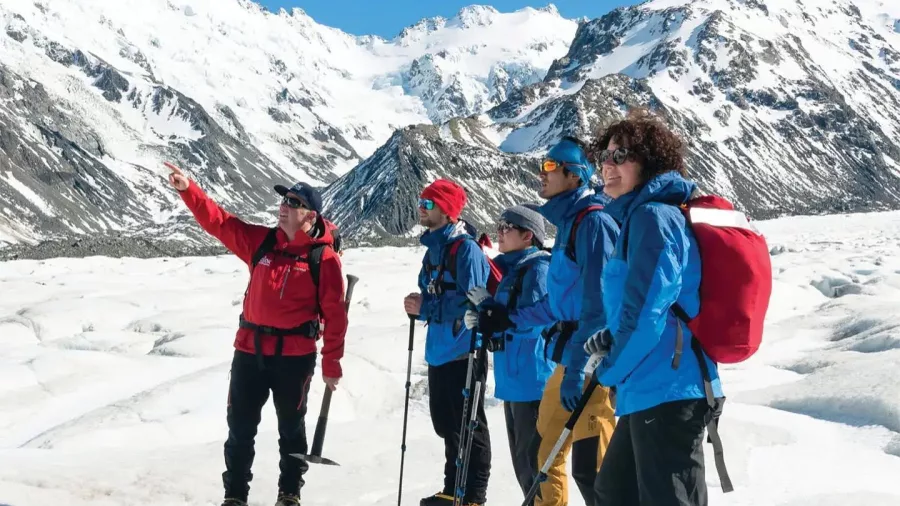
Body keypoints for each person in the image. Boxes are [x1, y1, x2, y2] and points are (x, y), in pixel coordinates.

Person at [165, 163, 347, 506]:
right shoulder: (263, 242)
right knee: (240, 428)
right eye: (283, 200)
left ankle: (289, 494)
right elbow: (220, 223)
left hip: (295, 357)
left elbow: (336, 315)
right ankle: (234, 496)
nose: (283, 206)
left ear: (310, 216)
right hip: (249, 351)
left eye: (292, 202)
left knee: (291, 430)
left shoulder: (323, 258)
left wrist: (332, 363)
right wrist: (189, 189)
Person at [584, 110, 725, 506]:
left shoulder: (652, 217)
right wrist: (613, 338)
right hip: (648, 386)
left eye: (621, 155)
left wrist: (611, 369)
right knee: (614, 491)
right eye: (605, 157)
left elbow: (648, 313)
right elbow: (647, 307)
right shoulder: (641, 217)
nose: (608, 166)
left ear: (649, 162)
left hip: (667, 387)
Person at [470, 137, 618, 506]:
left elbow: (598, 304)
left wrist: (577, 369)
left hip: (591, 362)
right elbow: (556, 304)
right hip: (569, 357)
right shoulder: (571, 224)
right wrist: (505, 317)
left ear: (575, 174)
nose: (542, 174)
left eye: (551, 167)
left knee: (593, 469)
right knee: (541, 459)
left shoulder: (593, 223)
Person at [402, 179, 492, 506]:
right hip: (441, 350)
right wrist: (421, 301)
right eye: (421, 203)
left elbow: (477, 301)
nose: (421, 209)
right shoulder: (435, 250)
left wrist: (426, 306)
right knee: (448, 425)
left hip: (464, 349)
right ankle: (453, 489)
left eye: (428, 204)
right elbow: (433, 291)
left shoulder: (465, 250)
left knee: (468, 425)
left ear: (446, 211)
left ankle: (471, 496)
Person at [463, 203, 554, 499]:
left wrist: (492, 314)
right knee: (523, 463)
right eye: (499, 227)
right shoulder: (513, 270)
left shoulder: (537, 270)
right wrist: (485, 317)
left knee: (535, 464)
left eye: (507, 228)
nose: (499, 233)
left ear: (528, 235)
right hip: (514, 379)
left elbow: (535, 321)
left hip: (532, 379)